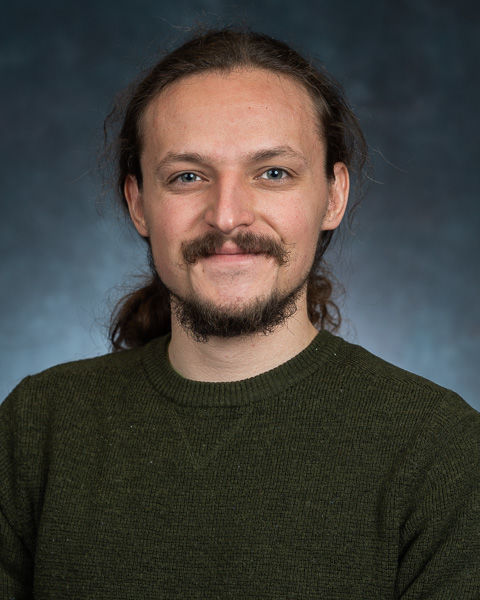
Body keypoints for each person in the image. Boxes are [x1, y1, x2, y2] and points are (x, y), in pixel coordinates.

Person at [1, 28, 479, 599]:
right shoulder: (37, 427)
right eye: (188, 176)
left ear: (332, 196)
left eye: (272, 173)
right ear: (137, 203)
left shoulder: (441, 449)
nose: (227, 216)